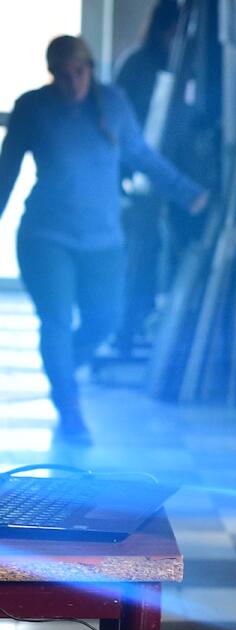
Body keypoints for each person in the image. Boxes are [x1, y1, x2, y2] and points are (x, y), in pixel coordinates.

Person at [0, 35, 208, 444]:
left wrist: (188, 193)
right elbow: (5, 173)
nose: (71, 81)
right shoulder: (32, 108)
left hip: (103, 240)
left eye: (78, 71)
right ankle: (69, 404)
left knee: (104, 320)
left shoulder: (112, 104)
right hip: (47, 237)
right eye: (62, 74)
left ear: (90, 68)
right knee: (56, 321)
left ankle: (62, 370)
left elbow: (142, 156)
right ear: (51, 74)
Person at [113, 0, 182, 353]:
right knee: (138, 253)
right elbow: (122, 130)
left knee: (156, 252)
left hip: (160, 173)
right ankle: (126, 327)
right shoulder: (138, 64)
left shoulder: (178, 64)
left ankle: (140, 323)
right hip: (136, 176)